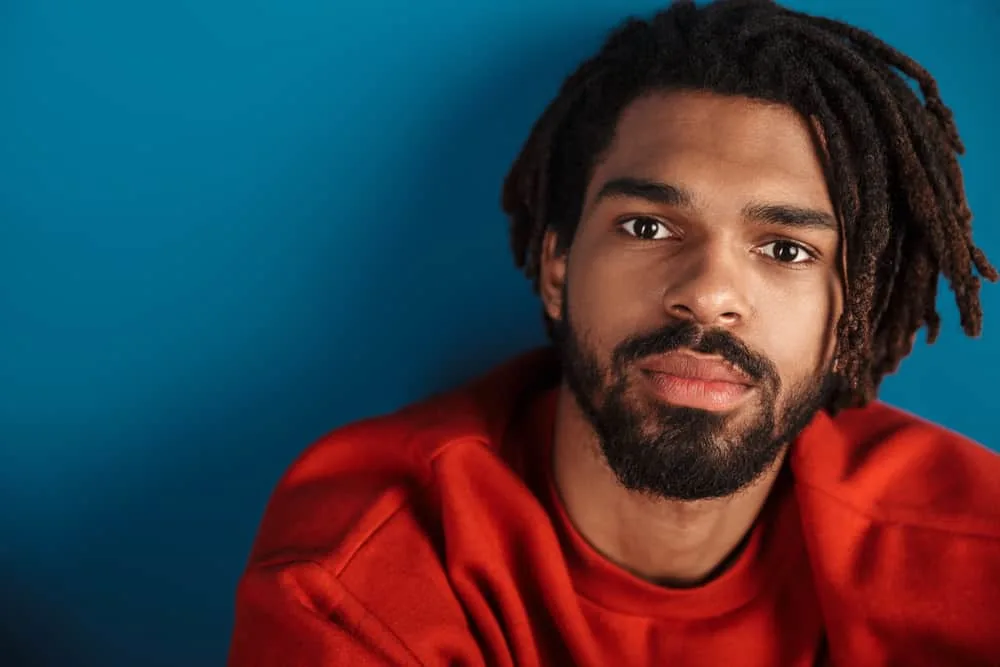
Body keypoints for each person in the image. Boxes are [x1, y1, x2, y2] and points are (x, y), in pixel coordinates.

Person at [228, 1, 1000, 664]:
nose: (708, 295)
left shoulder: (975, 554)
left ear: (848, 316)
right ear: (558, 267)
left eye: (786, 249)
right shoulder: (362, 572)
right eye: (647, 225)